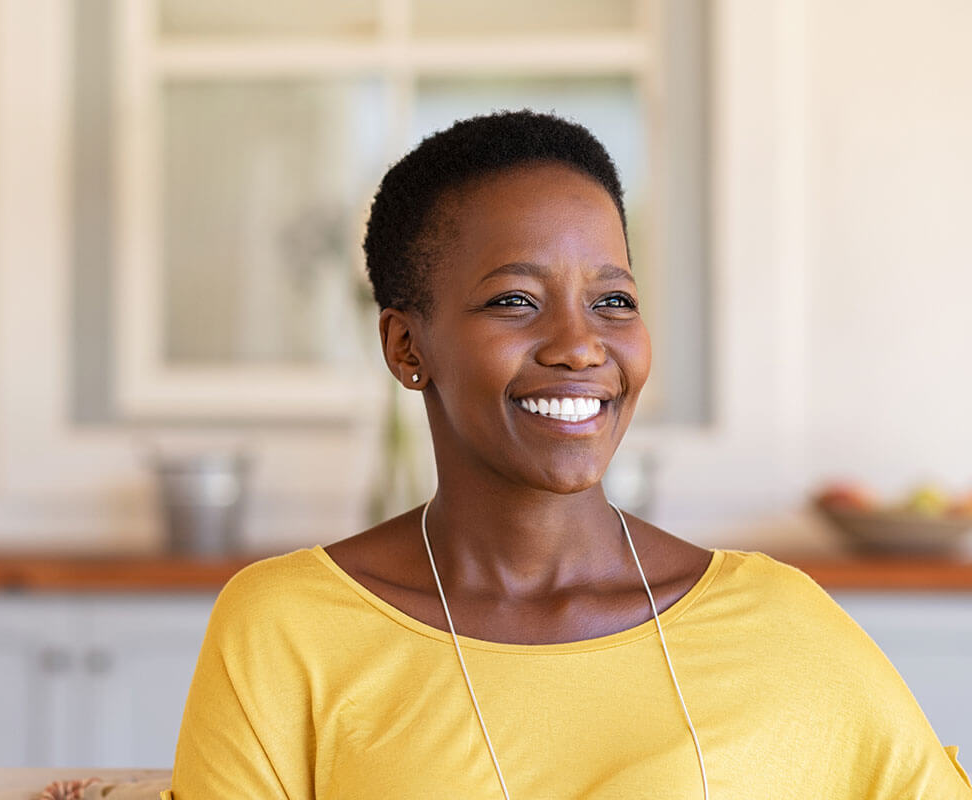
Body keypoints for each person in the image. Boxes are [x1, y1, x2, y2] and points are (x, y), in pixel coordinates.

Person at [167, 110, 971, 798]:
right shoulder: (287, 629)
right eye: (515, 300)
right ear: (407, 345)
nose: (581, 346)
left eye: (612, 300)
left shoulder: (778, 621)